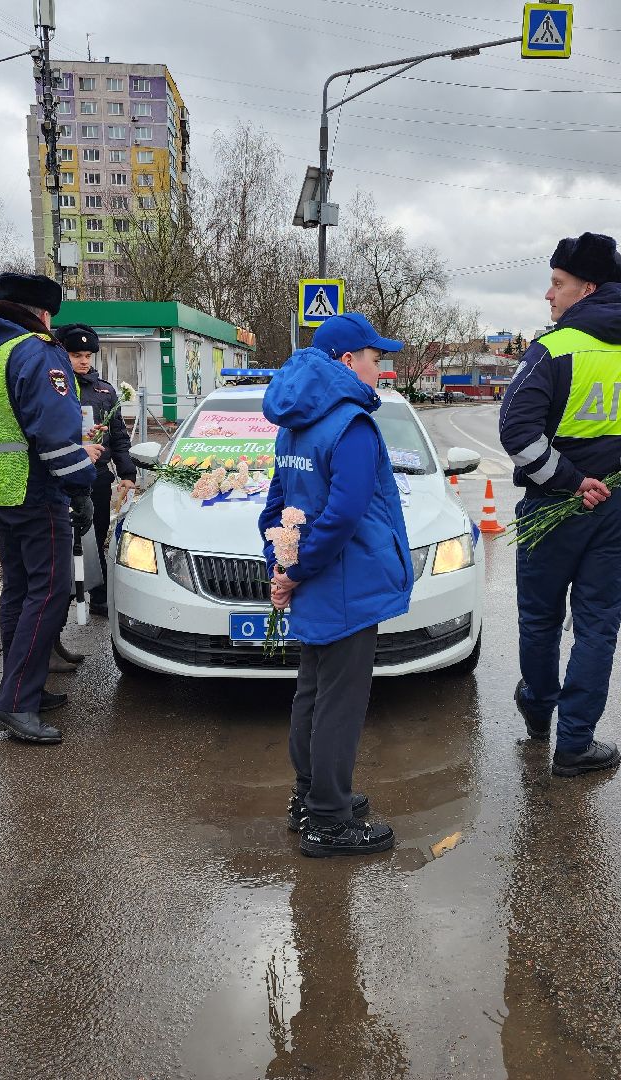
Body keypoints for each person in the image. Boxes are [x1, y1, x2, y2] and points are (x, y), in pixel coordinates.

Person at [498, 232, 621, 778]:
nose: (549, 295)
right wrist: (620, 487)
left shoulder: (554, 350)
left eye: (558, 283)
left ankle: (537, 712)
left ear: (587, 288)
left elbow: (516, 430)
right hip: (616, 512)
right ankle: (575, 743)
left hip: (555, 506)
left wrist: (571, 483)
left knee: (540, 618)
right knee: (598, 627)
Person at [260, 311, 414, 857]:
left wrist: (281, 562)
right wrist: (297, 569)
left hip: (315, 580)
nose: (381, 368)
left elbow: (278, 504)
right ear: (347, 362)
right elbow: (345, 515)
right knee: (339, 703)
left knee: (312, 691)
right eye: (376, 359)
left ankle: (309, 796)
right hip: (345, 583)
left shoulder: (295, 422)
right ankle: (328, 819)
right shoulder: (350, 424)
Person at [0, 272, 101, 745]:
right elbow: (55, 432)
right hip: (38, 492)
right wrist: (80, 486)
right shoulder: (35, 351)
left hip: (0, 493)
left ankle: (23, 691)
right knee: (49, 593)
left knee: (19, 592)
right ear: (42, 313)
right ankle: (16, 704)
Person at [55, 322, 137, 615]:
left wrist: (127, 473)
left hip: (97, 476)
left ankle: (99, 595)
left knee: (97, 533)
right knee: (65, 540)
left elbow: (118, 435)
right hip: (63, 476)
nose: (84, 360)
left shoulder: (104, 391)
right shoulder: (56, 388)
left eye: (88, 355)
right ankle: (64, 597)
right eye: (76, 354)